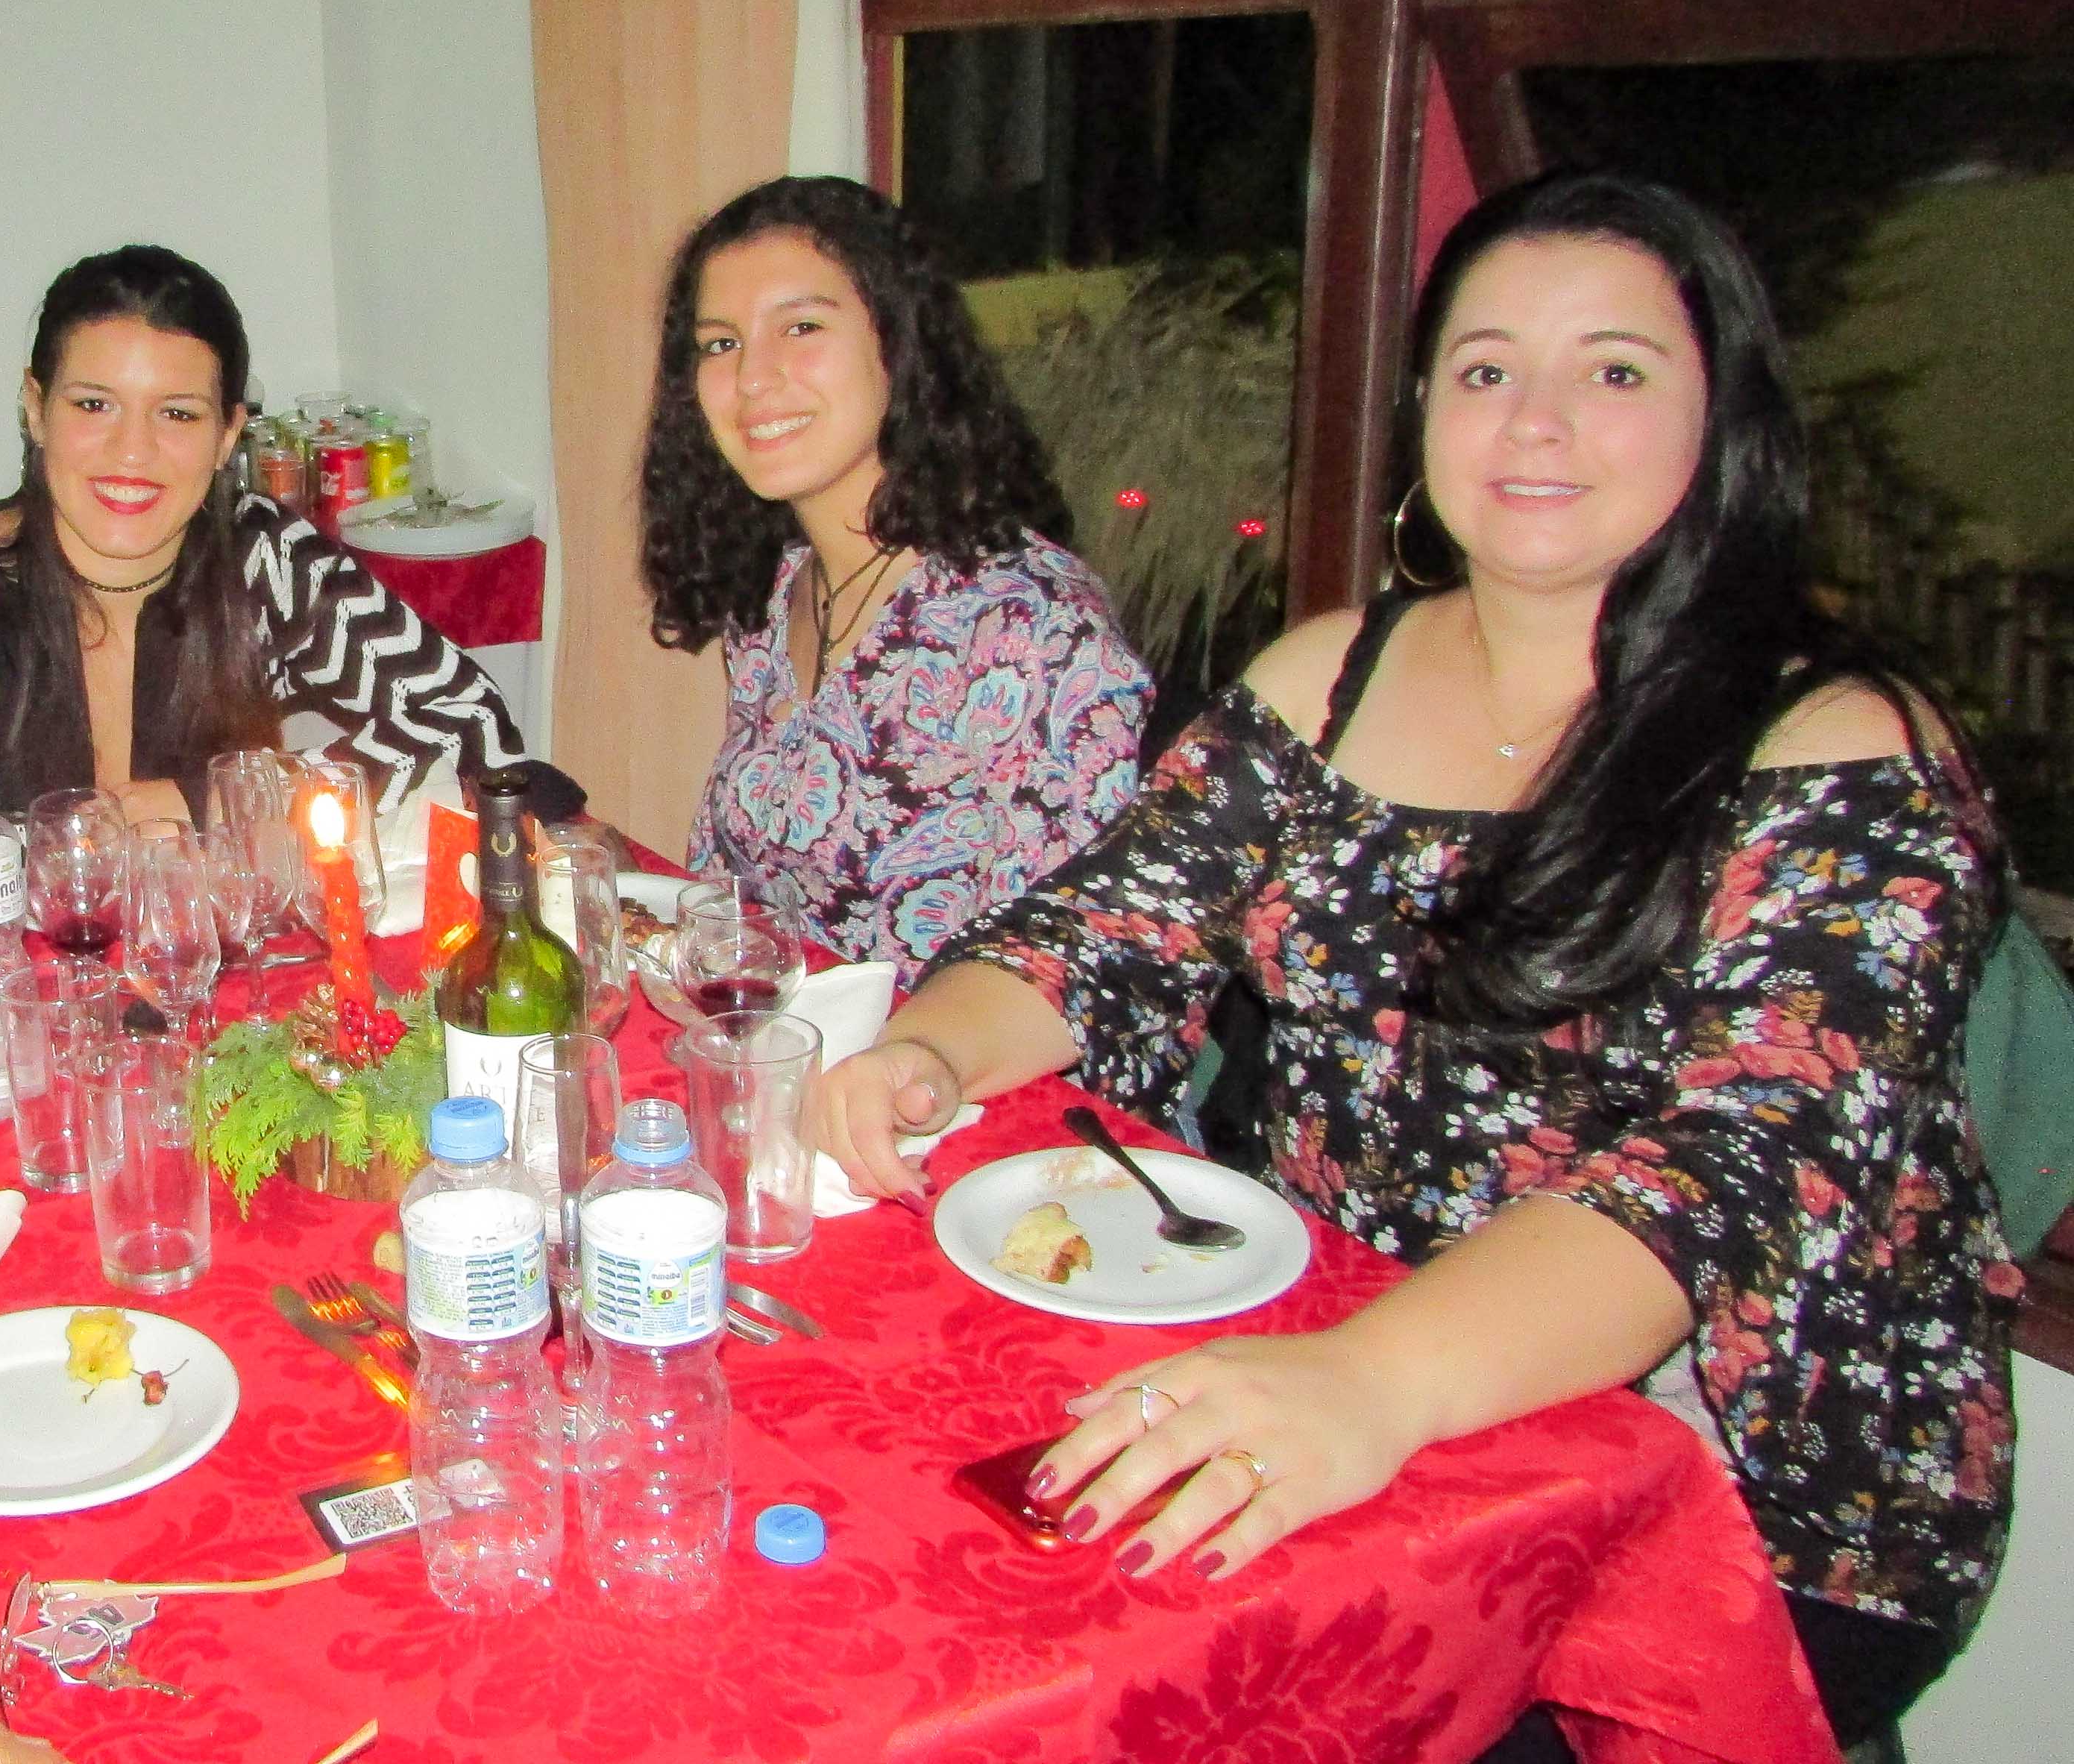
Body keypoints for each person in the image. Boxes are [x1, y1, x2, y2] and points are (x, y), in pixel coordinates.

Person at [804, 172, 2017, 1751]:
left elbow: (1731, 1172)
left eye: (1615, 370)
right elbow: (1097, 928)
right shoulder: (1329, 674)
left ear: (1722, 421)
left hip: (1730, 1491)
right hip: (1345, 1357)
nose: (1535, 422)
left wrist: (1374, 1387)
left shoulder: (1847, 748)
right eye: (1485, 367)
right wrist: (931, 1051)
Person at [0, 243, 521, 903]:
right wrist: (83, 838)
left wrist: (213, 801)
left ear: (228, 435)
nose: (133, 452)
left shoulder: (262, 556)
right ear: (36, 408)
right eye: (95, 405)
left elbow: (470, 726)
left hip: (215, 993)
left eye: (178, 414)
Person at [642, 177, 1151, 988]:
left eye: (801, 327)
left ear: (900, 343)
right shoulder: (776, 597)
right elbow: (749, 897)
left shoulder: (1032, 626)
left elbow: (1078, 973)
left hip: (950, 1066)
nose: (753, 379)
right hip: (783, 1040)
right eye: (721, 344)